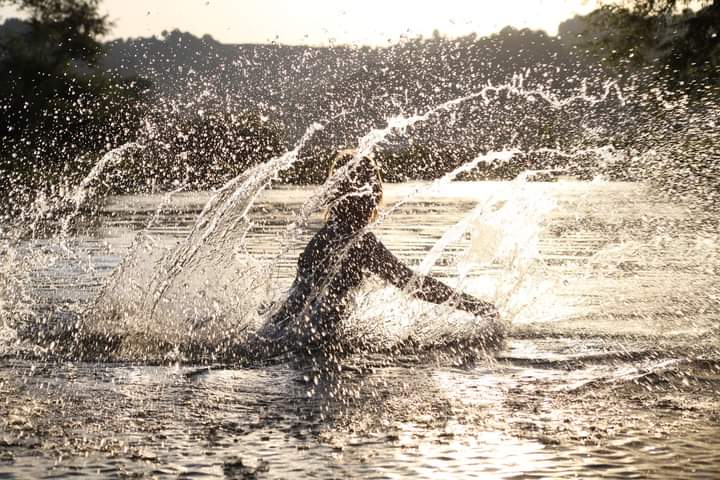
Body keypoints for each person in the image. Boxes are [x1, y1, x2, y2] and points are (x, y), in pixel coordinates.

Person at [253, 149, 497, 359]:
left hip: (277, 333)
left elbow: (296, 300)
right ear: (373, 194)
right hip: (305, 345)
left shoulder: (324, 237)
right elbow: (412, 284)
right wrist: (474, 306)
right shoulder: (360, 243)